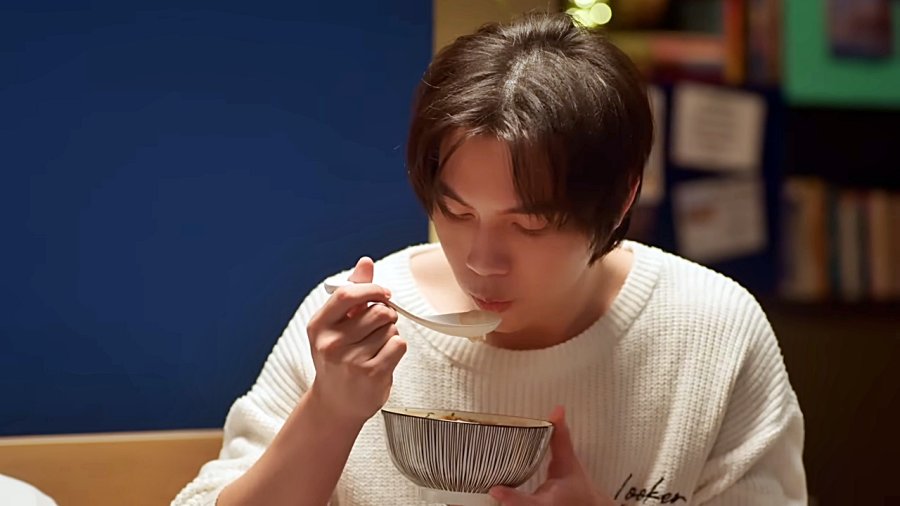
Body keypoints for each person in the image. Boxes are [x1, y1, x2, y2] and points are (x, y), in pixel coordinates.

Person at [173, 12, 806, 506]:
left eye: (528, 225)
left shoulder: (712, 330)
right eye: (455, 213)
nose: (481, 261)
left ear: (619, 202)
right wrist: (330, 412)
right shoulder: (351, 327)